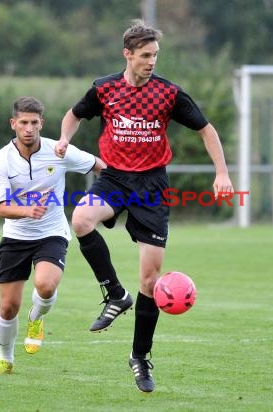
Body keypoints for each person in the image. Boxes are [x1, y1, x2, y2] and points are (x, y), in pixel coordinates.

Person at [54, 20, 234, 392]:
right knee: (82, 218)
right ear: (128, 54)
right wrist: (63, 139)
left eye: (155, 55)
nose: (152, 61)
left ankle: (139, 357)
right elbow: (74, 115)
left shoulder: (168, 94)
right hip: (115, 178)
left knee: (151, 281)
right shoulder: (104, 89)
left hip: (152, 186)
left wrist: (222, 173)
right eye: (146, 55)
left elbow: (207, 129)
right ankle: (115, 294)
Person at [0, 96, 105, 376]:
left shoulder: (59, 151)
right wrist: (27, 210)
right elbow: (0, 207)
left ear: (42, 123)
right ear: (13, 124)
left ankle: (36, 317)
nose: (29, 128)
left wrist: (116, 194)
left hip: (52, 232)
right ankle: (6, 359)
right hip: (16, 236)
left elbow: (101, 166)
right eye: (23, 122)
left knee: (46, 286)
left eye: (34, 122)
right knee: (7, 306)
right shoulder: (2, 159)